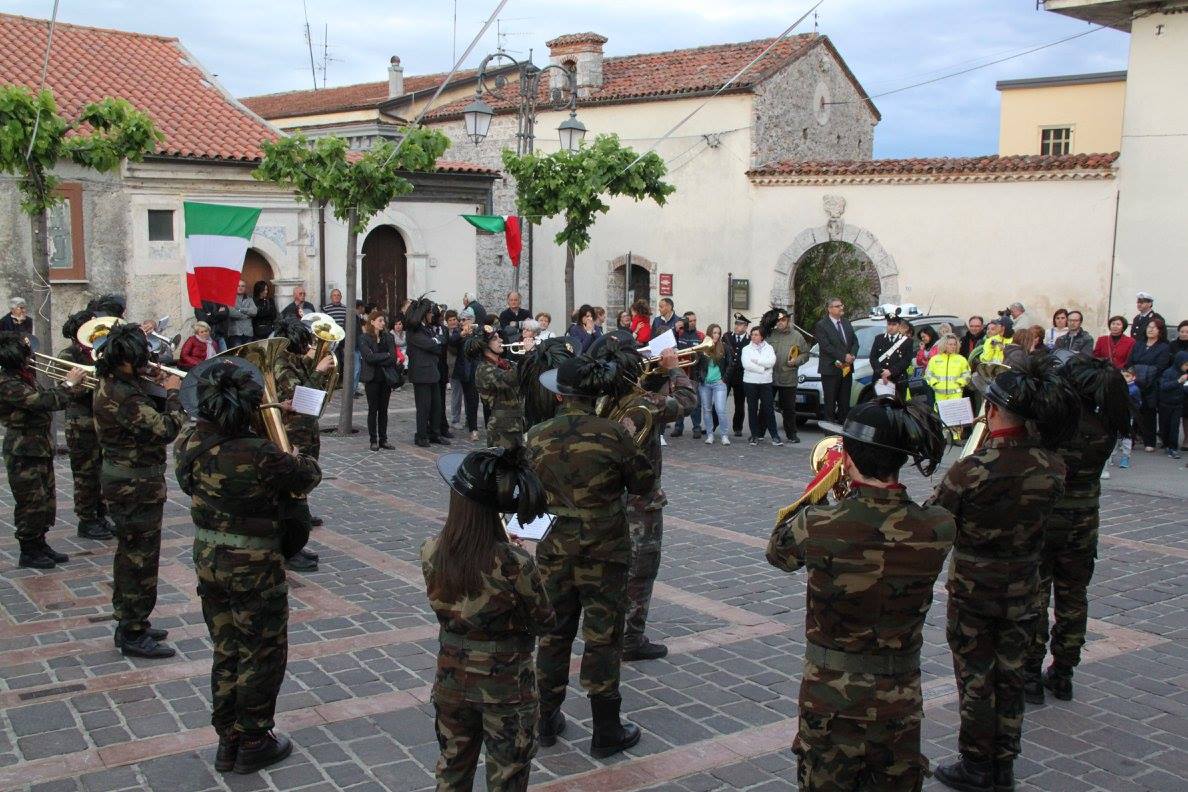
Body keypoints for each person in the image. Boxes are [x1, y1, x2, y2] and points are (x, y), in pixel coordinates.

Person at [767, 397, 951, 791]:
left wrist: (825, 485)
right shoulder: (938, 526)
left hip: (829, 697)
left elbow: (777, 551)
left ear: (847, 459)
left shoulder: (818, 524)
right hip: (900, 698)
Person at [928, 361, 1078, 792]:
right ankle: (1004, 763)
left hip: (974, 588)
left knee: (976, 676)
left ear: (992, 412)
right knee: (1011, 674)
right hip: (1025, 585)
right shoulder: (1052, 466)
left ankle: (977, 764)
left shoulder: (971, 469)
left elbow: (937, 520)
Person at [174, 359, 321, 775]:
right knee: (261, 652)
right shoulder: (262, 454)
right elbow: (307, 475)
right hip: (255, 568)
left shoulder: (188, 442)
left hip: (209, 560)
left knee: (226, 649)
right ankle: (254, 738)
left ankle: (228, 738)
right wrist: (290, 440)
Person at [527, 355, 655, 758]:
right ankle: (605, 728)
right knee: (603, 635)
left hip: (554, 549)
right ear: (595, 393)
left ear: (560, 395)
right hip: (605, 550)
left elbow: (525, 492)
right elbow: (644, 482)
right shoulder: (613, 433)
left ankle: (545, 719)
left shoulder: (537, 435)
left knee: (553, 632)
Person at [423, 447, 555, 791]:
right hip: (506, 685)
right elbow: (544, 621)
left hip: (451, 678)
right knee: (507, 776)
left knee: (452, 770)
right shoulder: (515, 563)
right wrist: (521, 558)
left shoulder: (431, 550)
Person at [1024, 357, 1130, 707]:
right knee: (1073, 598)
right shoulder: (1106, 423)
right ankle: (1064, 672)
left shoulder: (1056, 421)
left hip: (1044, 518)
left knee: (1036, 597)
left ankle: (1030, 673)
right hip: (1083, 521)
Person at [587, 333, 696, 662]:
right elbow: (687, 401)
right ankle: (631, 639)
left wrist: (654, 374)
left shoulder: (600, 398)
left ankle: (606, 630)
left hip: (606, 497)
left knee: (610, 567)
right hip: (640, 499)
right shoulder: (644, 403)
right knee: (641, 569)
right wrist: (674, 369)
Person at [94, 324, 187, 658]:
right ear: (125, 360)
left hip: (130, 483)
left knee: (131, 555)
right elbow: (165, 428)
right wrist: (174, 393)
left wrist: (153, 382)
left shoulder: (116, 382)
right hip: (134, 487)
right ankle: (132, 630)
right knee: (139, 560)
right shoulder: (124, 396)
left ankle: (132, 622)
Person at [0, 332, 86, 568]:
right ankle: (28, 550)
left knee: (46, 498)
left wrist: (75, 386)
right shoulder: (7, 382)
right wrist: (69, 383)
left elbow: (51, 398)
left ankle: (40, 542)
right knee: (31, 501)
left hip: (39, 445)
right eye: (25, 354)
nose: (30, 357)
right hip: (23, 449)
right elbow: (42, 401)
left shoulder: (23, 376)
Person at [270, 318, 334, 571]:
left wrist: (314, 366)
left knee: (303, 480)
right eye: (304, 344)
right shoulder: (280, 364)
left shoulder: (293, 360)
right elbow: (297, 398)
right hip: (292, 431)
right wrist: (318, 371)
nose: (307, 347)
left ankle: (297, 535)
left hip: (306, 428)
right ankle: (290, 545)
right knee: (292, 487)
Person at [58, 311, 113, 540]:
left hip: (101, 420)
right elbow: (68, 389)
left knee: (102, 471)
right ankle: (86, 519)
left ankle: (100, 515)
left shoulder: (98, 352)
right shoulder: (68, 354)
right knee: (85, 473)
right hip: (80, 423)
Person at [471, 325, 525, 449]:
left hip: (517, 424)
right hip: (501, 428)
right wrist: (527, 354)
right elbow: (511, 379)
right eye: (495, 338)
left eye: (499, 337)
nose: (501, 340)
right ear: (485, 345)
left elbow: (526, 373)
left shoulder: (505, 363)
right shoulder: (484, 369)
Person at [407, 297, 448, 448]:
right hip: (421, 374)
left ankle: (434, 433)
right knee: (423, 408)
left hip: (432, 372)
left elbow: (438, 346)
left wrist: (435, 342)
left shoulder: (428, 329)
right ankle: (421, 435)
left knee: (436, 406)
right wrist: (436, 341)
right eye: (429, 313)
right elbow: (430, 344)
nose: (432, 315)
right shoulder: (414, 330)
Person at [763, 308, 809, 443]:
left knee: (788, 409)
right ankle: (759, 432)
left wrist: (796, 361)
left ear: (788, 320)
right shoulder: (770, 334)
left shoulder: (797, 336)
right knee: (765, 406)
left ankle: (791, 434)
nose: (780, 323)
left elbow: (805, 354)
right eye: (778, 320)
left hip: (788, 377)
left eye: (783, 320)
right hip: (770, 377)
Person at [1126, 317, 1170, 452]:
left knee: (1148, 413)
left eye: (1154, 327)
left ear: (1160, 331)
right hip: (1134, 383)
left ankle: (1149, 442)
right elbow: (1130, 362)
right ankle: (1129, 441)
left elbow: (1160, 366)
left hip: (1151, 384)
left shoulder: (1163, 347)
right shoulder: (1138, 344)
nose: (1150, 329)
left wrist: (1140, 371)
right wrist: (1133, 375)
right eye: (1149, 327)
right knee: (1132, 412)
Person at [813, 297, 859, 423]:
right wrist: (844, 356)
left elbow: (855, 342)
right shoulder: (822, 325)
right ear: (829, 309)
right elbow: (826, 346)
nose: (841, 308)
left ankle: (843, 428)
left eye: (841, 305)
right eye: (838, 306)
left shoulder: (846, 322)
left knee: (844, 402)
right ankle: (830, 430)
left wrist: (852, 355)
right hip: (830, 370)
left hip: (846, 369)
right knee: (830, 403)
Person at [359, 310, 399, 451]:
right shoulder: (364, 338)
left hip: (385, 378)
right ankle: (373, 440)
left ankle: (383, 439)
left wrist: (379, 356)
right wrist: (384, 355)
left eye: (383, 321)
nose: (383, 323)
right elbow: (368, 358)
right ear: (372, 322)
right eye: (380, 320)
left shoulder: (388, 337)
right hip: (372, 378)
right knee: (373, 409)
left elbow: (393, 358)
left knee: (383, 410)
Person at [925, 334, 972, 439]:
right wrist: (934, 383)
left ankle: (956, 438)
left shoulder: (961, 359)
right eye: (950, 344)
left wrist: (960, 383)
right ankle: (944, 438)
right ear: (944, 345)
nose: (953, 346)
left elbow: (967, 374)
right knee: (941, 416)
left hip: (956, 393)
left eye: (954, 344)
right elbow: (928, 374)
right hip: (939, 393)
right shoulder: (935, 359)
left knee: (956, 416)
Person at [742, 325, 782, 446]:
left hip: (765, 382)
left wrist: (757, 361)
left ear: (762, 336)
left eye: (756, 335)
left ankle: (775, 436)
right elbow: (746, 365)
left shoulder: (769, 348)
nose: (753, 337)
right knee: (752, 409)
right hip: (750, 382)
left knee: (768, 409)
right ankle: (754, 435)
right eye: (752, 334)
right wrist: (762, 369)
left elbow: (771, 362)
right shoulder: (746, 349)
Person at [696, 324, 734, 445]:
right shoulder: (703, 346)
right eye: (714, 333)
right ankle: (710, 435)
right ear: (709, 333)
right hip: (705, 383)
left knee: (720, 410)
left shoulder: (724, 347)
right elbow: (696, 364)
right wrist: (700, 378)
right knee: (707, 410)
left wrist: (724, 379)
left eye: (718, 333)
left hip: (719, 383)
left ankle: (724, 435)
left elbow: (730, 364)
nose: (716, 335)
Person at [868, 311, 915, 400]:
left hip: (898, 379)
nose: (891, 327)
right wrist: (881, 372)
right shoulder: (879, 339)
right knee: (880, 405)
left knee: (898, 406)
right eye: (889, 324)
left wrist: (891, 371)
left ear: (899, 326)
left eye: (894, 324)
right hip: (880, 379)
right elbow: (873, 358)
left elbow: (906, 360)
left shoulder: (907, 341)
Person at [449, 309, 480, 441]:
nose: (461, 322)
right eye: (460, 320)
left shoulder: (479, 331)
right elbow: (452, 341)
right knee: (470, 398)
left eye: (464, 320)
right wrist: (463, 334)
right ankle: (473, 428)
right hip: (465, 370)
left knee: (479, 399)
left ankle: (480, 424)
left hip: (478, 368)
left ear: (472, 320)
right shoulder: (458, 332)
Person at [1157, 352, 1187, 460]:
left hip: (1178, 404)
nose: (1186, 367)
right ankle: (1166, 443)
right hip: (1165, 404)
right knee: (1165, 427)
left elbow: (1185, 389)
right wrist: (1178, 381)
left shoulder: (1185, 374)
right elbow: (1164, 386)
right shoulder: (1169, 372)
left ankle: (1173, 448)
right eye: (1186, 365)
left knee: (1174, 427)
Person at [725, 314, 751, 437]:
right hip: (727, 374)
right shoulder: (727, 337)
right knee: (720, 401)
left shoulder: (749, 340)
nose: (737, 326)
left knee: (739, 404)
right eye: (736, 323)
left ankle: (737, 427)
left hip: (741, 375)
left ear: (746, 327)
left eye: (740, 324)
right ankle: (713, 425)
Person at [225, 281, 258, 349]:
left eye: (242, 286)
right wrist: (247, 315)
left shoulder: (250, 299)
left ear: (245, 288)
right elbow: (232, 313)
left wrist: (240, 309)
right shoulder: (230, 298)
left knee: (247, 353)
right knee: (237, 354)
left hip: (248, 332)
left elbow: (254, 312)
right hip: (235, 332)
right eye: (238, 286)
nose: (240, 287)